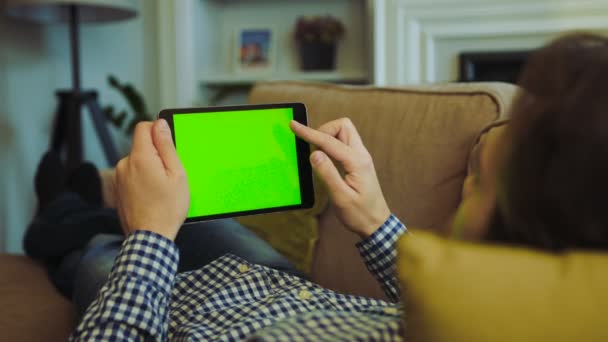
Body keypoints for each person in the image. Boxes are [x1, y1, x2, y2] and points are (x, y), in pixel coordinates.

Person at [25, 32, 608, 340]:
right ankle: (84, 207)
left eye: (476, 183)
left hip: (181, 311)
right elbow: (443, 294)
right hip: (282, 283)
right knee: (210, 220)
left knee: (100, 253)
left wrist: (150, 236)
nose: (463, 191)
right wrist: (375, 218)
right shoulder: (493, 312)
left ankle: (62, 213)